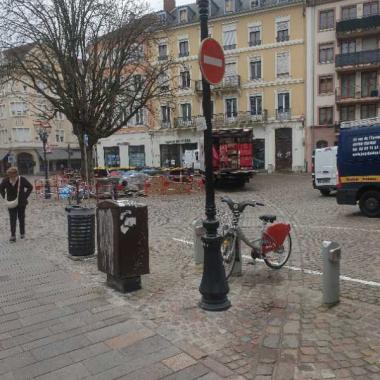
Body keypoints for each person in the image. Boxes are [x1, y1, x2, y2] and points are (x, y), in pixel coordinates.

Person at [0, 167, 33, 242]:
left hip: (21, 202)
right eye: (9, 175)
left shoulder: (22, 179)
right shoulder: (5, 180)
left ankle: (22, 233)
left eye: (12, 175)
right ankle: (13, 235)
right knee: (12, 218)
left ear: (16, 174)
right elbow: (1, 188)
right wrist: (4, 196)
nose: (11, 177)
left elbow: (30, 187)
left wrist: (25, 196)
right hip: (10, 202)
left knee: (21, 218)